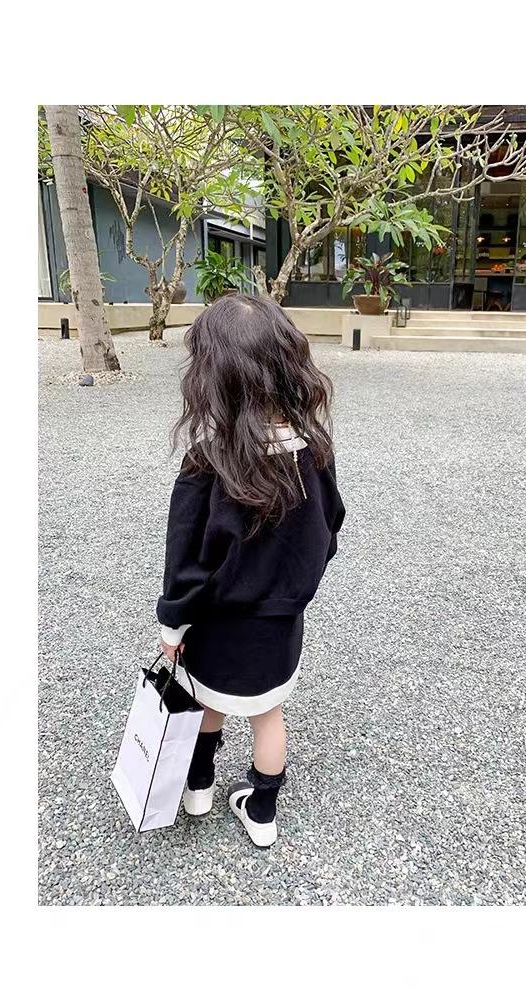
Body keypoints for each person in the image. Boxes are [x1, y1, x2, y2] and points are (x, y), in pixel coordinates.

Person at [157, 294, 345, 847]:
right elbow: (330, 525)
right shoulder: (312, 451)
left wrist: (173, 624)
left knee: (206, 702)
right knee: (268, 715)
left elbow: (184, 557)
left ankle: (198, 787)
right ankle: (261, 812)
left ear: (213, 376)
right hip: (279, 625)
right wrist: (294, 587)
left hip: (217, 625)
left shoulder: (208, 459)